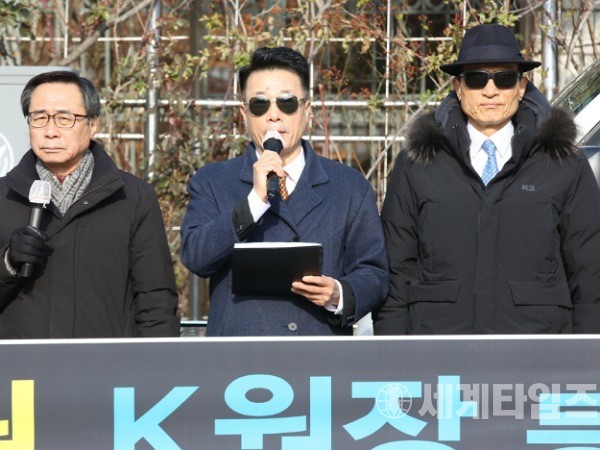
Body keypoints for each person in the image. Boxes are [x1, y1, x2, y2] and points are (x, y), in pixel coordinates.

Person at [373, 23, 600, 335]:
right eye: (476, 78)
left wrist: (586, 353)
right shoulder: (418, 163)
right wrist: (392, 352)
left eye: (504, 78)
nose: (490, 91)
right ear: (458, 87)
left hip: (536, 349)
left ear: (521, 87)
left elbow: (590, 273)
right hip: (440, 348)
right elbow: (396, 273)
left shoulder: (563, 163)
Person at [180, 47, 388, 336]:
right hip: (239, 355)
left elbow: (375, 273)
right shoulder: (213, 181)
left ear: (307, 110)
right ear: (244, 113)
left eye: (287, 103)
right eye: (259, 104)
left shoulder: (349, 186)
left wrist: (339, 294)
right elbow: (196, 256)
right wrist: (254, 202)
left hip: (318, 354)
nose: (273, 115)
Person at [0, 71, 179, 338]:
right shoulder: (4, 195)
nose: (50, 132)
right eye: (39, 118)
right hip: (21, 362)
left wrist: (154, 361)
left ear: (93, 124)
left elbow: (156, 300)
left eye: (64, 119)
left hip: (106, 362)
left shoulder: (132, 197)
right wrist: (8, 264)